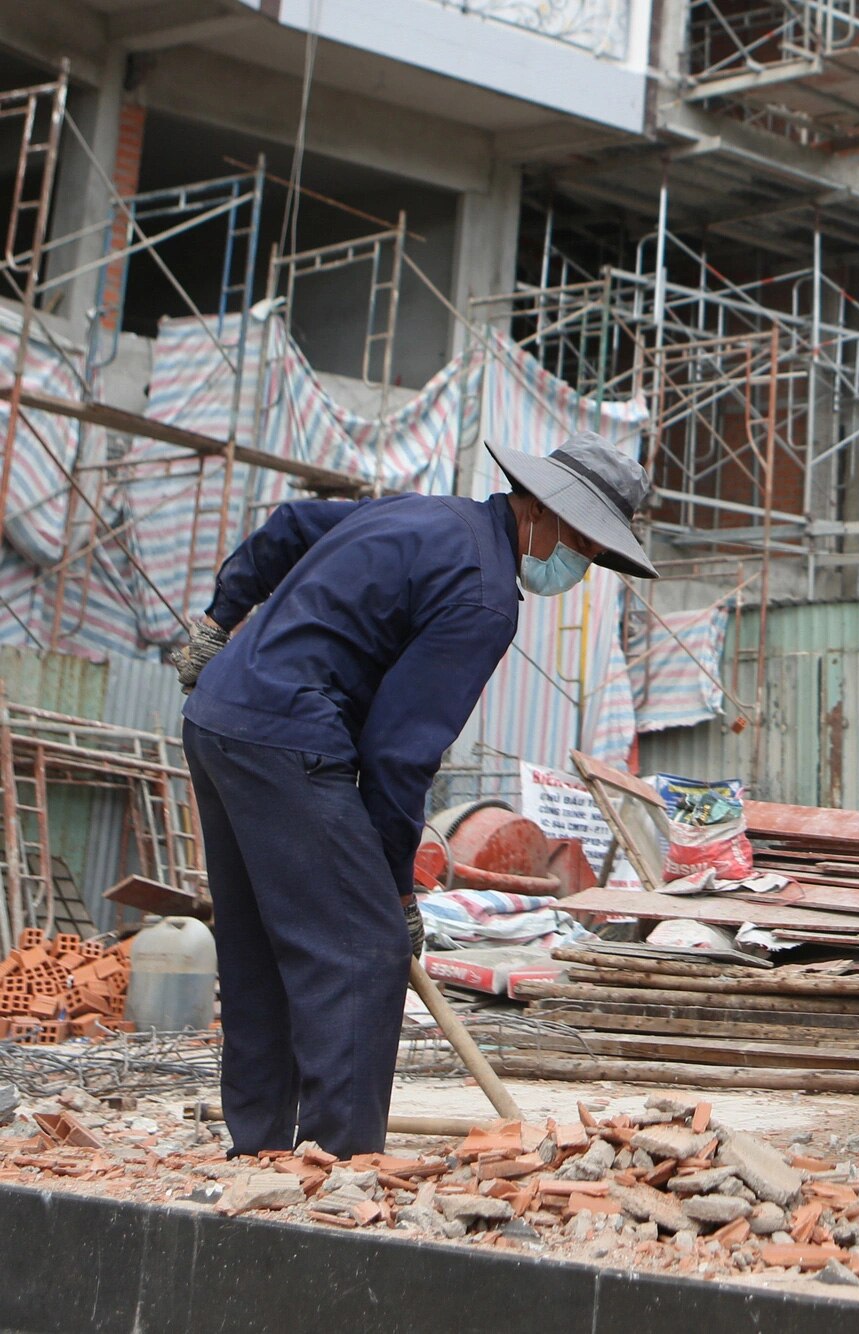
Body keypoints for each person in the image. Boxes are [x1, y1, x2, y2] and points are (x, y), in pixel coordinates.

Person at [176, 432, 656, 1158]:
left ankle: (263, 1151)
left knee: (258, 951)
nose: (582, 565)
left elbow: (288, 528)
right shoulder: (487, 596)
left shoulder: (420, 514)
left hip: (218, 718)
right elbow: (398, 755)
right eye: (584, 546)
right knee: (364, 951)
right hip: (290, 740)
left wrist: (219, 619)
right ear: (546, 514)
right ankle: (341, 1162)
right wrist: (396, 892)